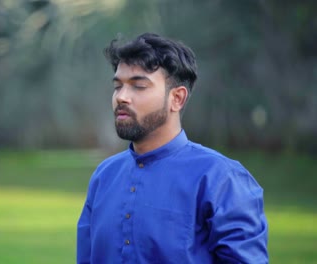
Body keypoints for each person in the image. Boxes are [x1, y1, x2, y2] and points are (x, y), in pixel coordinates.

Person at [76, 33, 268, 263]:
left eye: (138, 86)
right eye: (118, 86)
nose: (122, 97)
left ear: (177, 98)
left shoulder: (221, 179)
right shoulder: (104, 177)